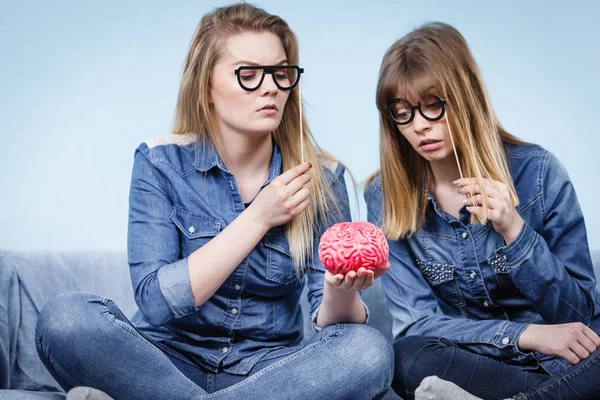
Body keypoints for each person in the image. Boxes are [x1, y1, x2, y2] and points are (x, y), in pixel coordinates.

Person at [35, 4, 393, 400]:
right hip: (162, 361)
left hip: (271, 373)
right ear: (206, 86)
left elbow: (330, 325)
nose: (271, 87)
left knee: (368, 351)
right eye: (249, 74)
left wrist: (340, 290)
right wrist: (257, 217)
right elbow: (154, 302)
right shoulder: (160, 163)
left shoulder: (323, 180)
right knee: (65, 317)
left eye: (280, 72)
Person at [365, 22, 600, 400]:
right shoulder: (385, 196)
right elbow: (416, 326)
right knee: (406, 358)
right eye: (403, 113)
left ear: (465, 96)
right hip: (479, 363)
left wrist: (515, 232)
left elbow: (580, 313)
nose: (420, 126)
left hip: (566, 361)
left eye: (433, 106)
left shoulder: (538, 172)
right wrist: (524, 335)